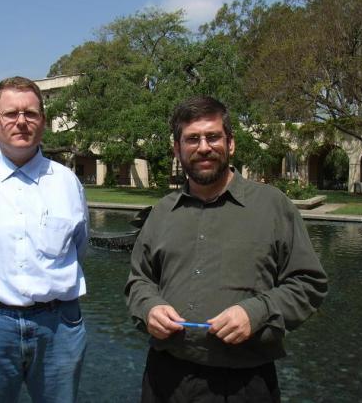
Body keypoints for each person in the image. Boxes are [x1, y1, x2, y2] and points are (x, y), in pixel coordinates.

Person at [125, 96, 328, 402]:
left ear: (230, 144)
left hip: (245, 382)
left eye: (213, 136)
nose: (203, 147)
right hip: (165, 379)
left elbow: (308, 283)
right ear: (177, 149)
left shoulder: (272, 206)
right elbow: (139, 281)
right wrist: (149, 307)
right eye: (192, 139)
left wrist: (257, 312)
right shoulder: (162, 212)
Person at [0, 76, 89, 403]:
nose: (21, 121)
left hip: (58, 327)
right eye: (11, 114)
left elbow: (78, 247)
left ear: (43, 121)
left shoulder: (67, 182)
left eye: (30, 113)